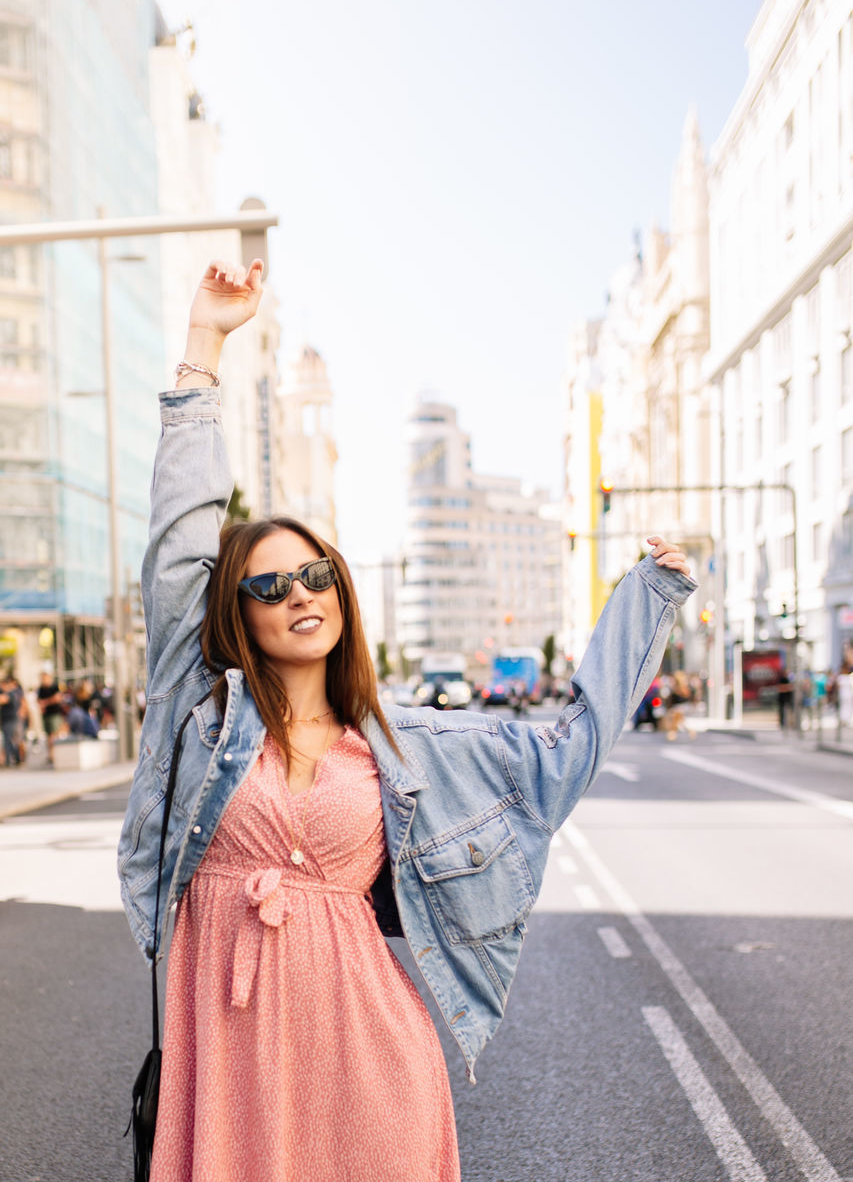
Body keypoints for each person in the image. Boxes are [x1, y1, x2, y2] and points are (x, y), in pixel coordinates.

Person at [117, 260, 696, 1182]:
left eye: (316, 576)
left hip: (369, 1058)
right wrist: (204, 347)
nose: (299, 593)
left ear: (343, 594)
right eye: (270, 585)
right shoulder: (200, 716)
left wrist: (647, 600)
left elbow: (566, 753)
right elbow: (179, 544)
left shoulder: (408, 748)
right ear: (239, 614)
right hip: (223, 1059)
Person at [0, 673, 26, 767]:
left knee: (10, 740)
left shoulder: (12, 692)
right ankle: (16, 758)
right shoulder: (15, 692)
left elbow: (3, 699)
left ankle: (10, 759)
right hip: (9, 719)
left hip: (11, 720)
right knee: (12, 740)